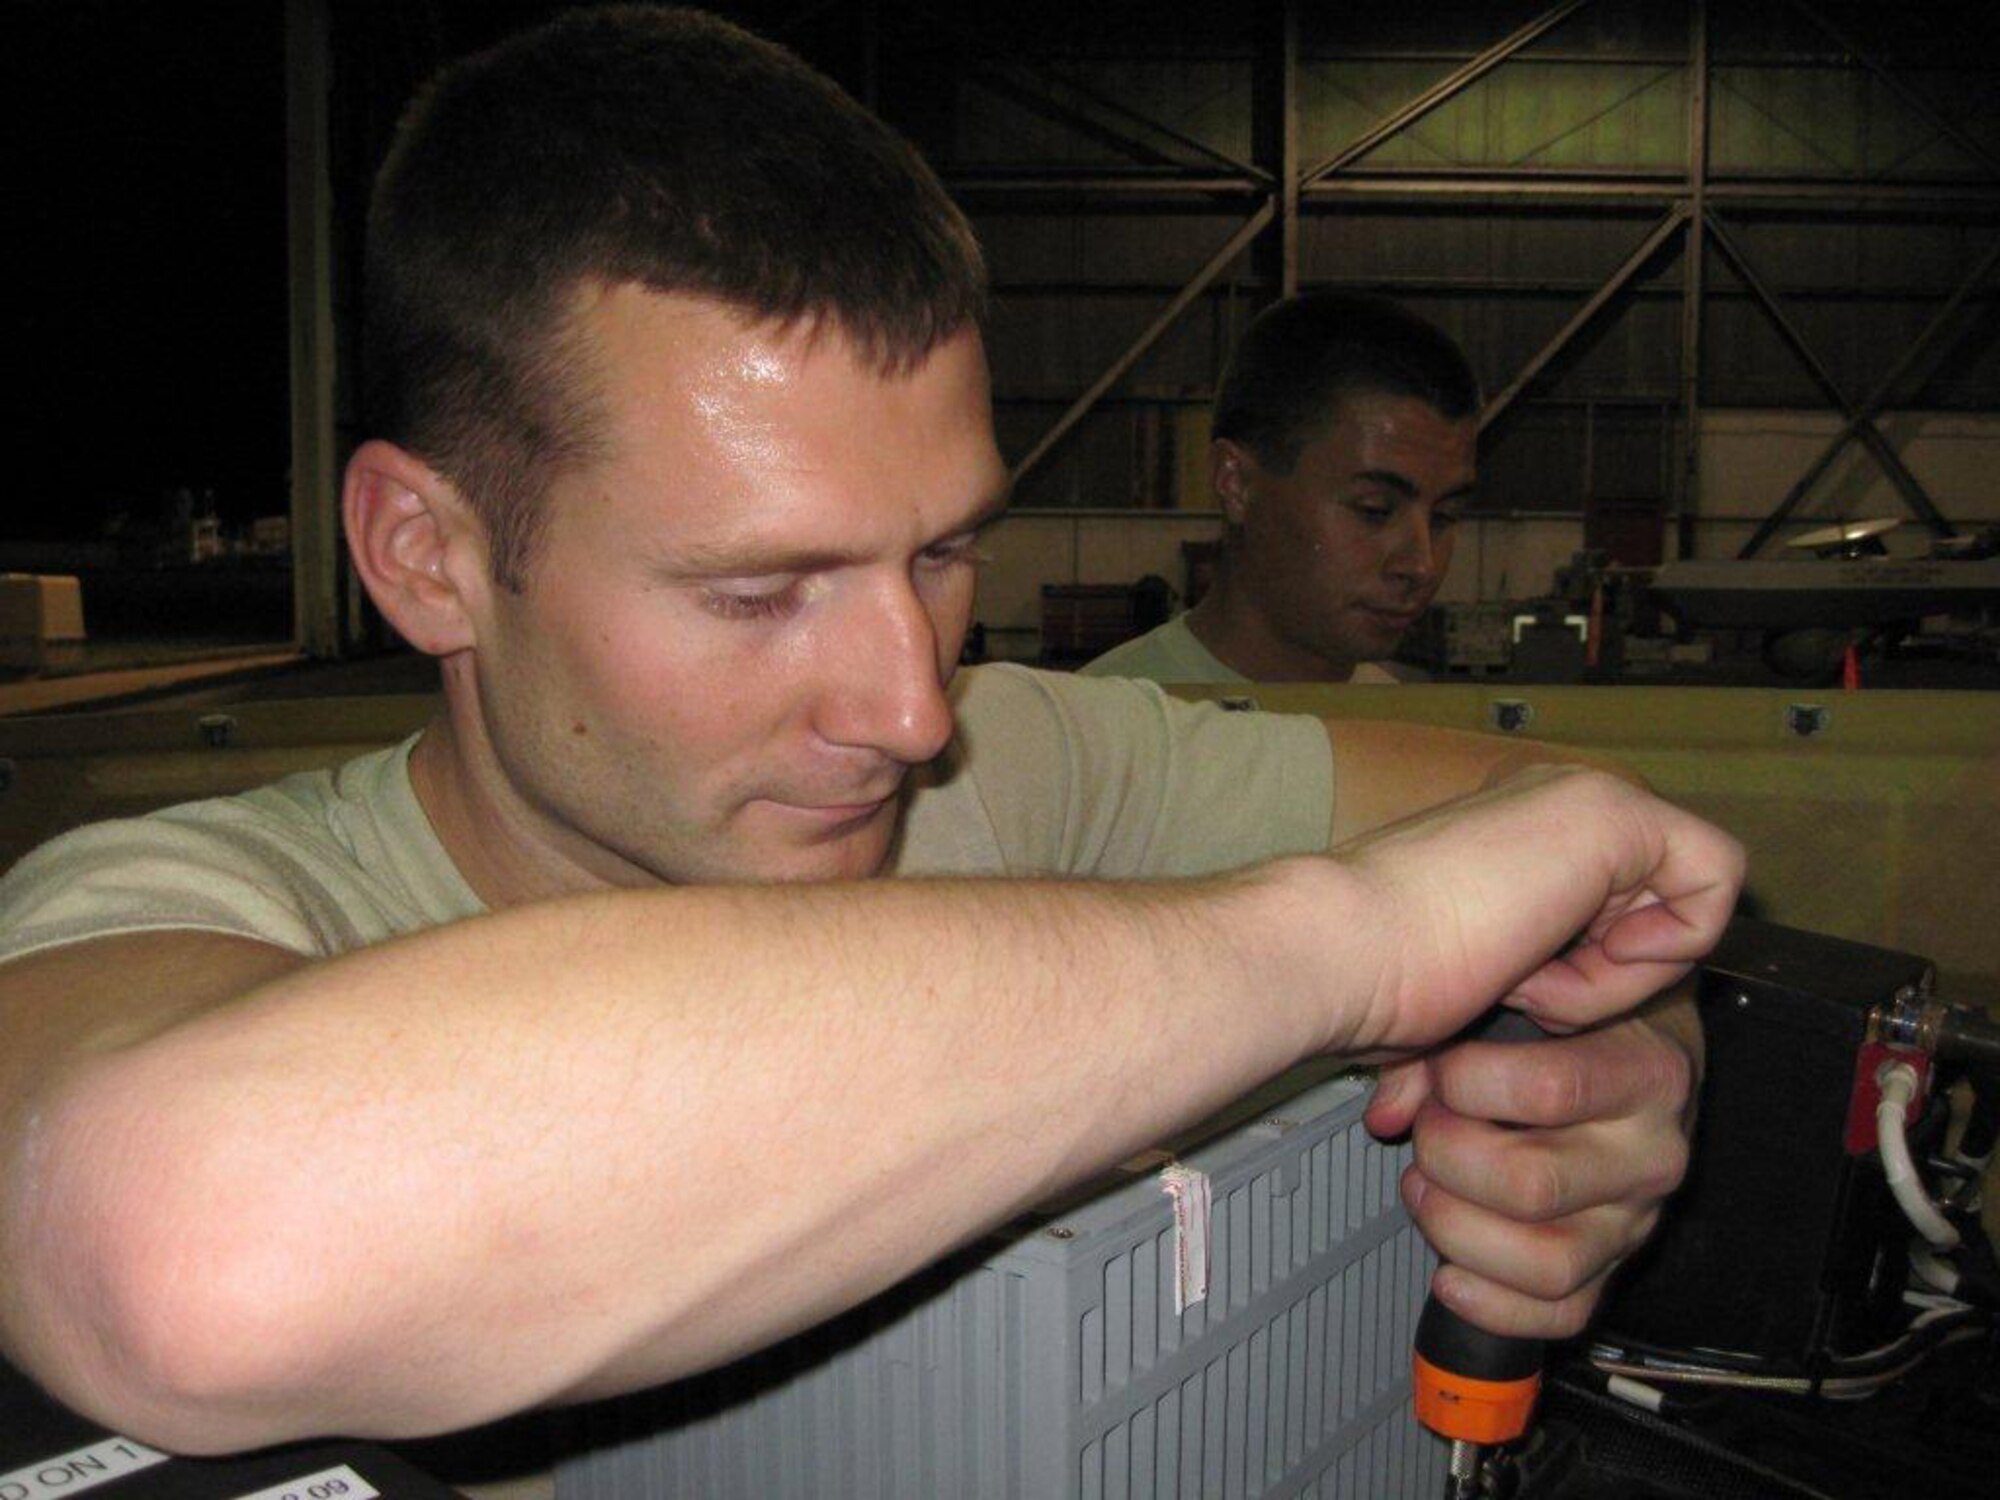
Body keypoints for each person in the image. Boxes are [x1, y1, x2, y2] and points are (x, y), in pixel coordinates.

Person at [0, 5, 1739, 1458]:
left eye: (945, 549)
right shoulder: (191, 905)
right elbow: (191, 1253)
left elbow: (1564, 828)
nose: (912, 712)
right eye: (762, 591)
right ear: (427, 559)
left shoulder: (1020, 762)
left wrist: (1616, 1039)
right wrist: (1355, 947)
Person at [1081, 291, 1473, 684]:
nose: (1422, 566)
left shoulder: (1398, 718)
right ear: (1235, 482)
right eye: (1374, 509)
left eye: (1443, 517)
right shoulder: (1106, 729)